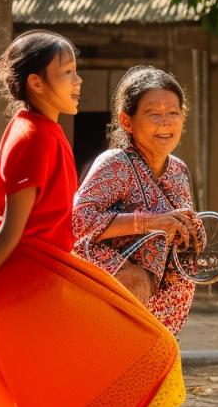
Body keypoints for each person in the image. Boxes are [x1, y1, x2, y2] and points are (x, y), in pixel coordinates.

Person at [0, 29, 186, 407]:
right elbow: (11, 229)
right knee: (131, 348)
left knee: (72, 367)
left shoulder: (41, 129)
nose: (78, 81)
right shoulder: (33, 137)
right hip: (29, 275)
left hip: (41, 269)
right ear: (37, 83)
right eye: (68, 73)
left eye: (76, 71)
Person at [72, 65, 205, 336]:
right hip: (119, 295)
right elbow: (79, 221)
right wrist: (151, 223)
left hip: (165, 306)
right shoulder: (115, 164)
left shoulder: (178, 170)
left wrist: (190, 233)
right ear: (126, 121)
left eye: (173, 113)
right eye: (154, 114)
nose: (165, 122)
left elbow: (177, 230)